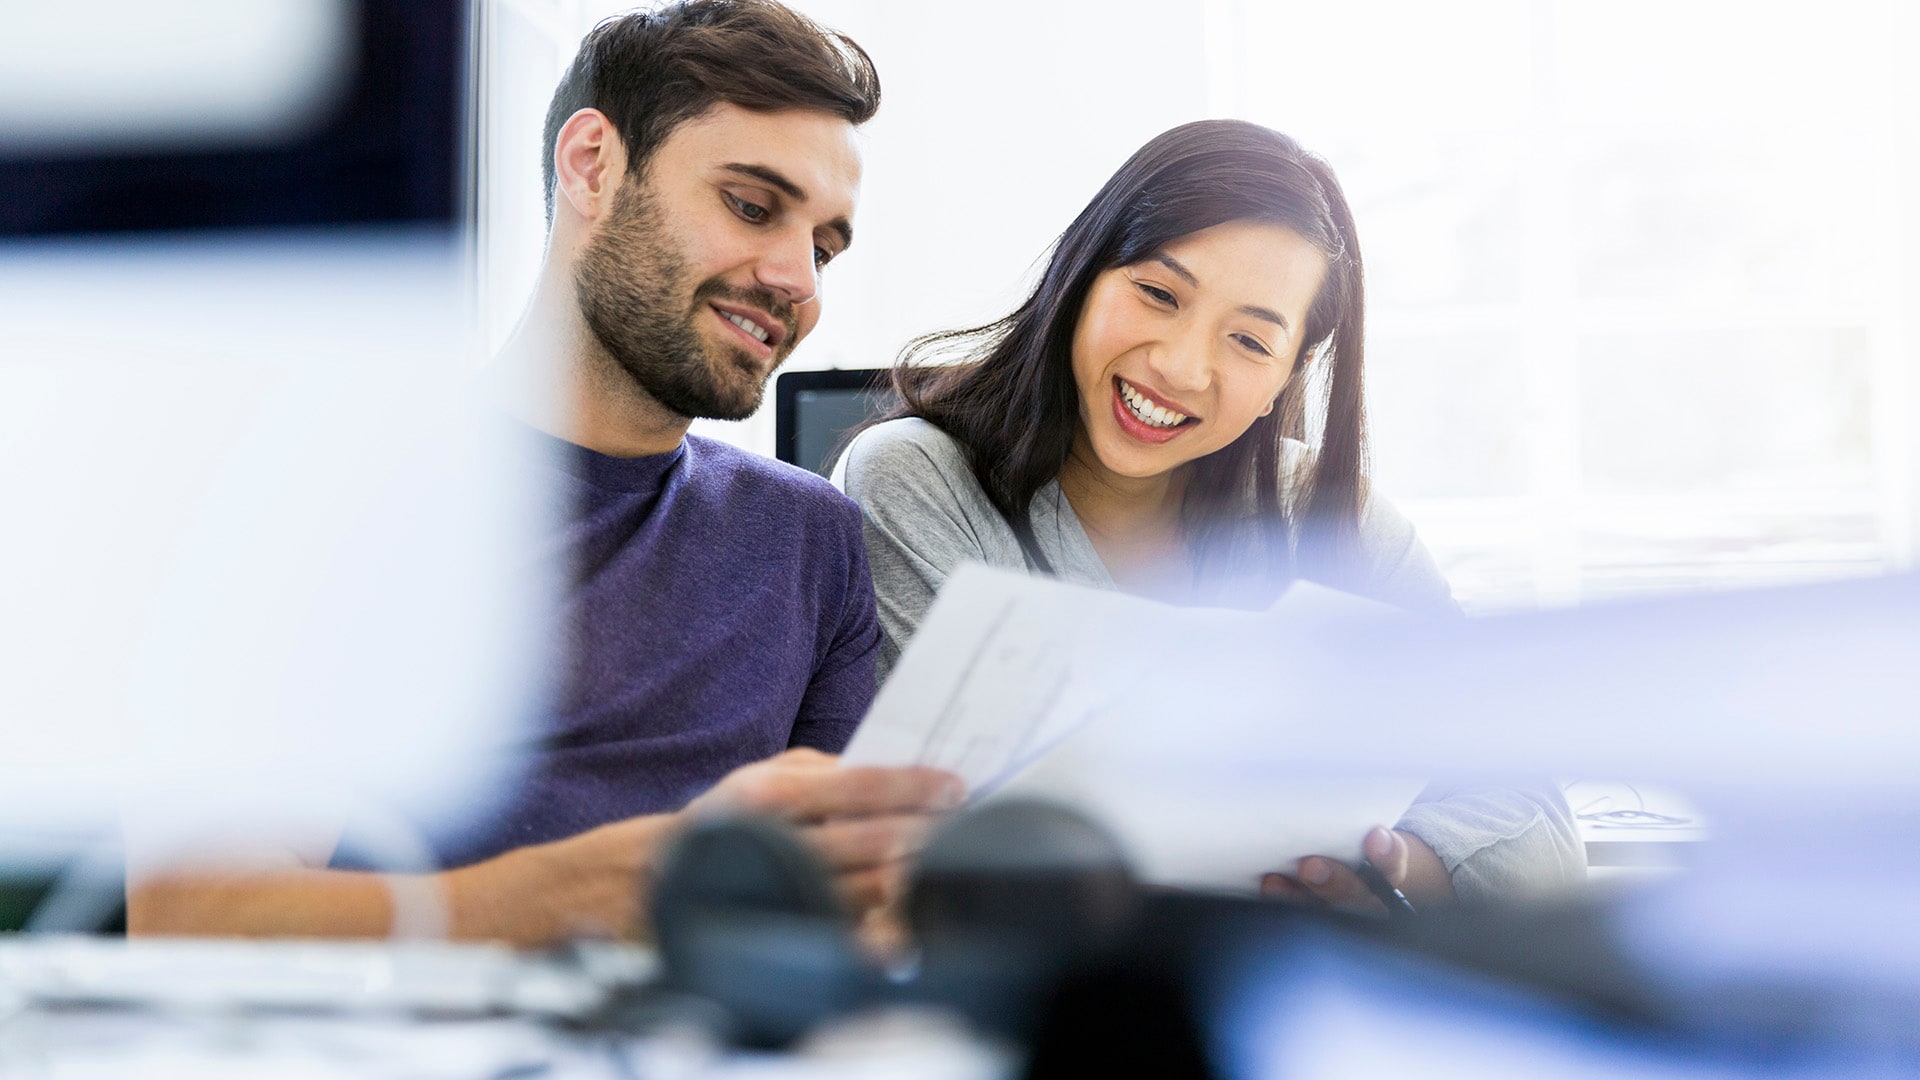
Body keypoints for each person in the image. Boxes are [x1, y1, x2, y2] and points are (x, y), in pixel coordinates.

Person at [126, 0, 960, 947]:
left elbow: (847, 914)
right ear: (593, 165)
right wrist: (587, 893)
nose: (798, 282)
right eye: (752, 205)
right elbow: (192, 917)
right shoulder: (324, 487)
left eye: (823, 247)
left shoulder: (810, 540)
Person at [834, 119, 1584, 912]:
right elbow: (941, 839)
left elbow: (1540, 825)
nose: (1182, 367)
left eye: (1250, 342)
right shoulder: (914, 478)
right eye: (1158, 294)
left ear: (1284, 381)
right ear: (1082, 274)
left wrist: (1389, 872)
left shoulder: (1329, 518)